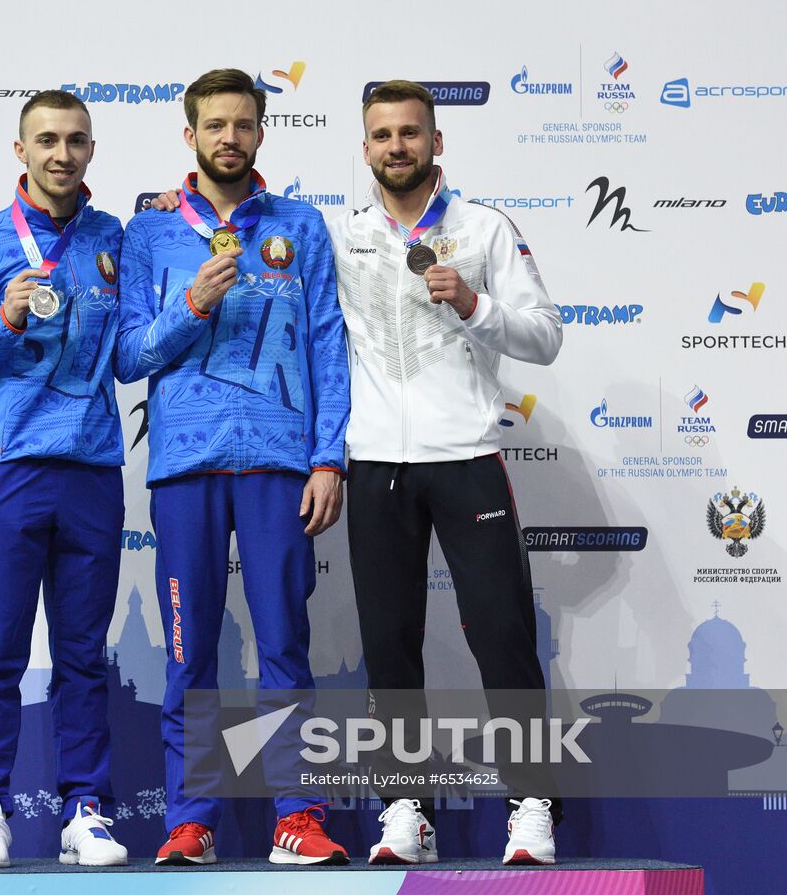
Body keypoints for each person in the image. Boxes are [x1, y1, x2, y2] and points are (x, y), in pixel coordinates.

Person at [116, 68, 351, 866]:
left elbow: (327, 345)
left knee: (286, 644)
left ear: (260, 132)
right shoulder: (148, 234)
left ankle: (298, 815)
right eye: (214, 125)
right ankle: (193, 820)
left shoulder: (301, 228)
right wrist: (190, 308)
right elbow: (125, 356)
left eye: (243, 124)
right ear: (189, 134)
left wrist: (328, 458)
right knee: (190, 653)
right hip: (185, 467)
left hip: (282, 464)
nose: (229, 137)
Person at [329, 80, 564, 866]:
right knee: (390, 644)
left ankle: (532, 803)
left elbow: (544, 338)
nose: (397, 146)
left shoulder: (485, 229)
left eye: (411, 133)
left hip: (466, 459)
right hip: (376, 468)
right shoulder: (341, 234)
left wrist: (473, 303)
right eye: (382, 135)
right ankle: (407, 809)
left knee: (503, 634)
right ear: (365, 148)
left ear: (436, 142)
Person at [0, 90, 128, 869]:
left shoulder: (114, 238)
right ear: (20, 150)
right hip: (9, 469)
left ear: (91, 149)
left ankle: (86, 809)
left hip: (92, 471)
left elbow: (131, 346)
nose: (61, 154)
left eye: (75, 140)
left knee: (83, 655)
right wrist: (1, 322)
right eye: (46, 140)